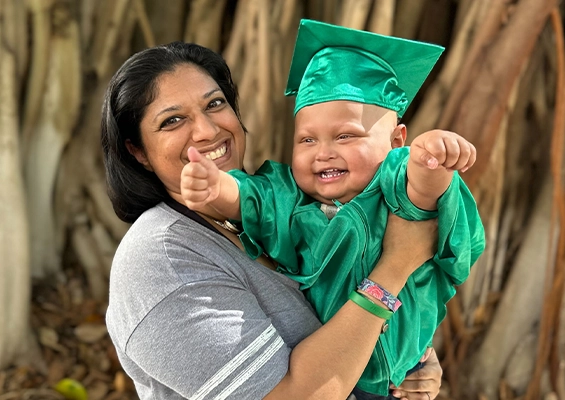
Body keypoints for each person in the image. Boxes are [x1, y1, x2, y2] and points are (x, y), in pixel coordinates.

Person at [102, 40, 445, 400]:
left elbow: (346, 318)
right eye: (172, 120)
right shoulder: (162, 261)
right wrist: (395, 266)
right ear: (138, 151)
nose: (206, 131)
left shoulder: (284, 211)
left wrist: (409, 356)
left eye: (214, 104)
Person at [180, 20, 485, 399]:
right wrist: (215, 186)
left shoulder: (391, 183)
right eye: (307, 139)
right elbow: (250, 198)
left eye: (346, 136)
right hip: (333, 372)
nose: (323, 152)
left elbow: (421, 201)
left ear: (396, 140)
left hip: (398, 377)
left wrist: (431, 160)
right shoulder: (289, 198)